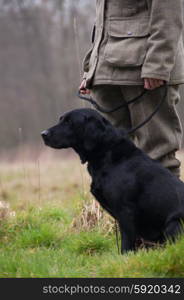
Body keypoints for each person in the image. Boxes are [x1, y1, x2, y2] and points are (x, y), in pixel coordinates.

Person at [79, 0, 184, 178]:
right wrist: (91, 70)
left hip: (145, 70)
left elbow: (168, 14)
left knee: (157, 156)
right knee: (109, 155)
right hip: (106, 72)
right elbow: (104, 19)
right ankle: (122, 206)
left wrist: (157, 65)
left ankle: (165, 206)